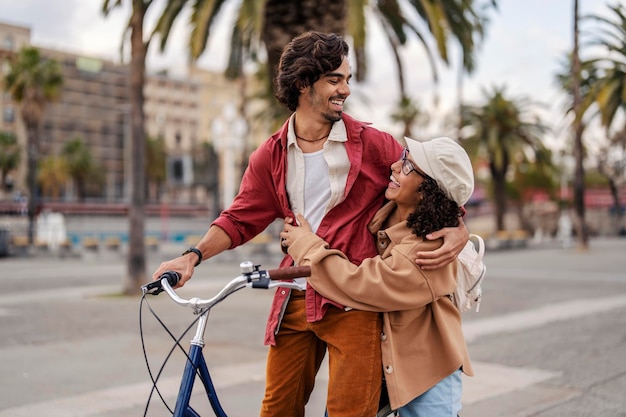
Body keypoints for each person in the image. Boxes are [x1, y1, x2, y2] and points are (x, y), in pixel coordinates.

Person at [152, 31, 468, 417]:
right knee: (277, 410)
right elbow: (238, 217)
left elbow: (428, 183)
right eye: (335, 79)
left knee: (350, 412)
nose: (346, 89)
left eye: (348, 79)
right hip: (295, 299)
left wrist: (460, 226)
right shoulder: (270, 155)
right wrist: (192, 256)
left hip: (353, 303)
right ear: (304, 84)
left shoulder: (372, 144)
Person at [280, 136, 475, 417]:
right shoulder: (388, 211)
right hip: (387, 363)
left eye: (409, 166)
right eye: (405, 155)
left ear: (428, 192)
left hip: (429, 372)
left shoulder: (428, 249)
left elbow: (358, 284)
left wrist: (305, 244)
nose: (396, 165)